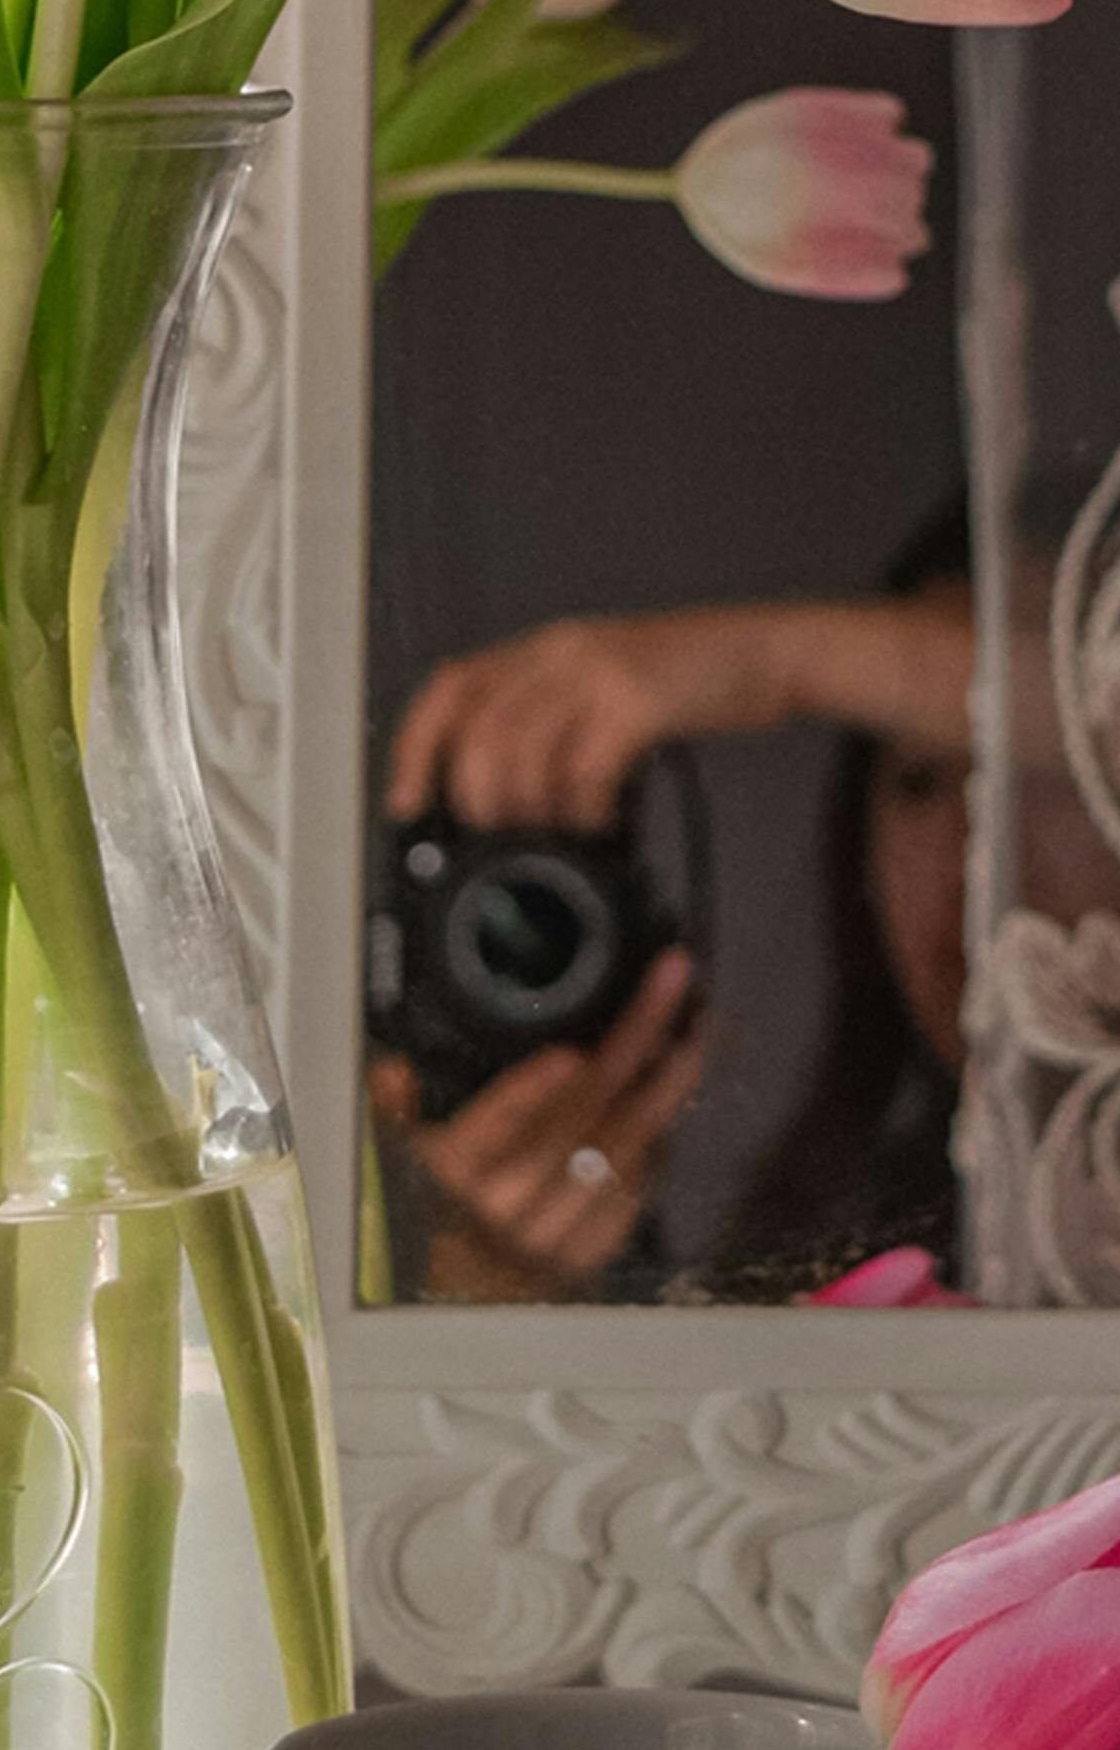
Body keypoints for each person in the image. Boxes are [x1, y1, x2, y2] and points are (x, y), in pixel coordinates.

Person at [373, 541, 980, 1300]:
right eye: (920, 781)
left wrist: (770, 659)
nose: (977, 849)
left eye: (1017, 768)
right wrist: (493, 1288)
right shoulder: (818, 1243)